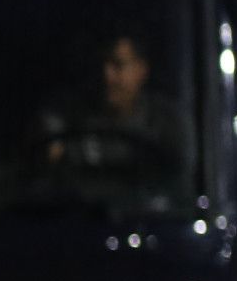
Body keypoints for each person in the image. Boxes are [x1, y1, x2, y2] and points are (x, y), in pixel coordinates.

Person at [39, 33, 193, 181]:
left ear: (141, 69)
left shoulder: (167, 123)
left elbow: (181, 182)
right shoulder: (68, 118)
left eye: (118, 65)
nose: (107, 76)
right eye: (101, 65)